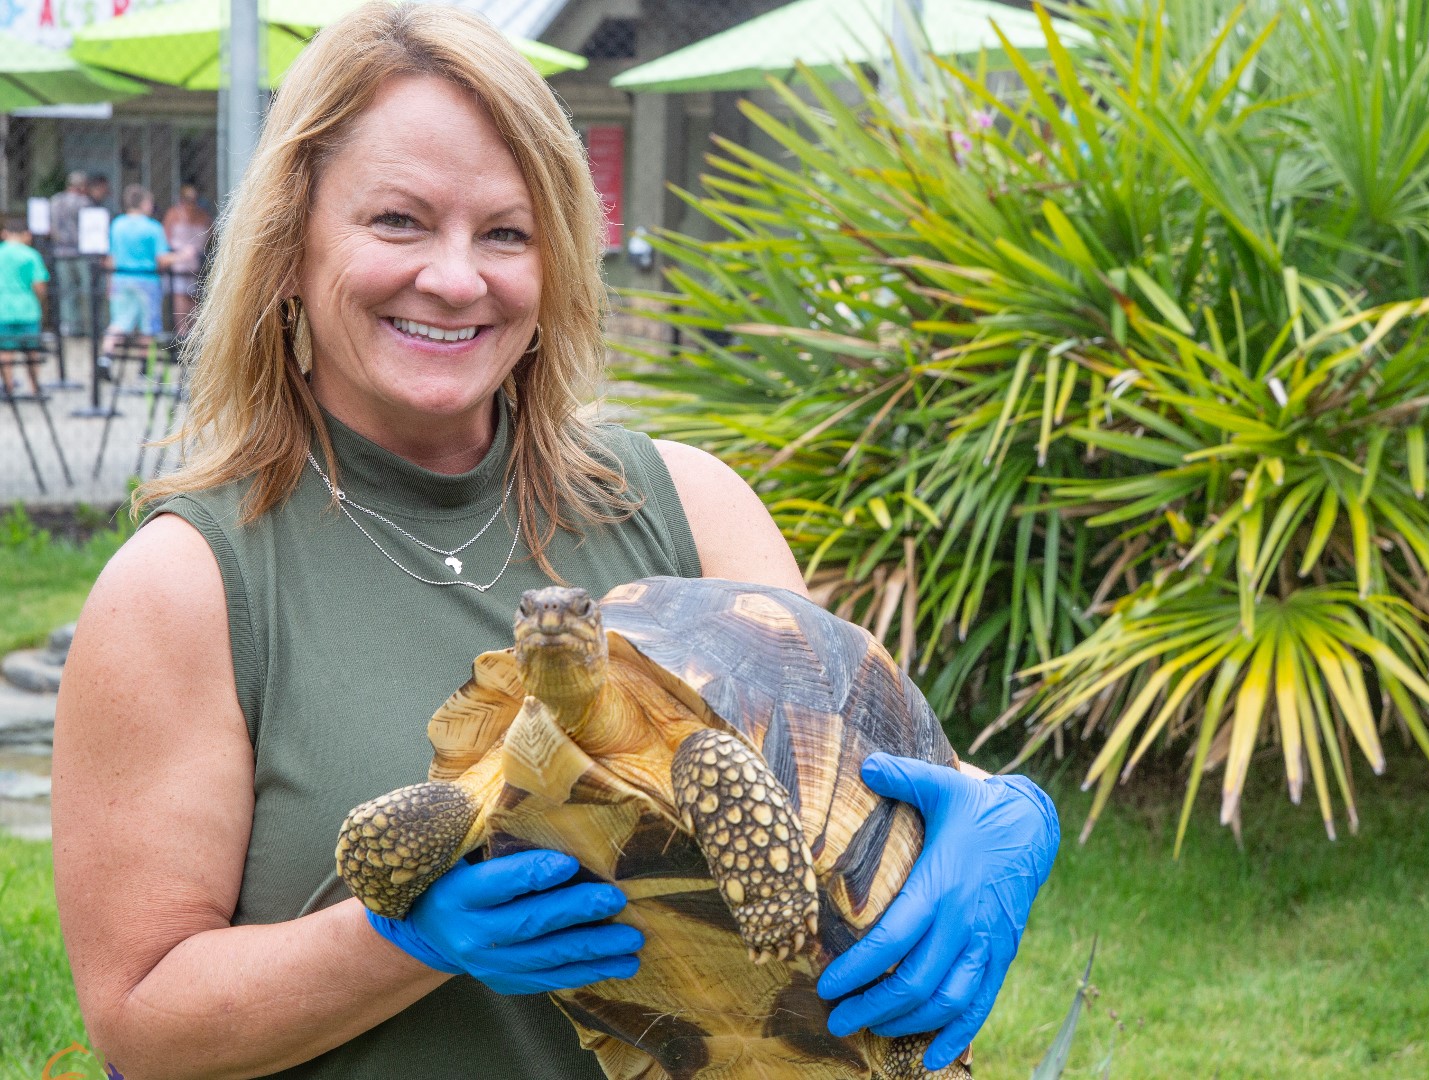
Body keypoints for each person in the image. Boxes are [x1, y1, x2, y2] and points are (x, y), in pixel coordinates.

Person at [51, 5, 1057, 1080]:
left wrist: (1008, 814)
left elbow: (862, 790)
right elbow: (142, 1023)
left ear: (556, 262)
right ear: (292, 244)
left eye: (505, 232)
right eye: (397, 220)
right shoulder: (190, 585)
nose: (454, 277)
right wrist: (397, 939)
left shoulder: (690, 510)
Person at [99, 184, 173, 361]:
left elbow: (111, 257)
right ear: (145, 203)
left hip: (121, 279)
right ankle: (144, 367)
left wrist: (110, 283)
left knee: (119, 322)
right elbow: (162, 258)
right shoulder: (153, 227)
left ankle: (106, 358)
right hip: (147, 280)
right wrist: (184, 256)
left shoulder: (117, 225)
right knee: (148, 326)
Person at [0, 216, 48, 395]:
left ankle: (8, 387)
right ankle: (35, 387)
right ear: (27, 235)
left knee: (5, 350)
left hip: (2, 309)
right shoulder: (31, 255)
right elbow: (39, 285)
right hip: (27, 309)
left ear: (4, 234)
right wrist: (40, 302)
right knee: (32, 351)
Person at [162, 182, 212, 333]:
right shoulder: (173, 214)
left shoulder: (203, 216)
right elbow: (166, 238)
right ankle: (181, 343)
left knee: (195, 312)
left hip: (196, 268)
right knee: (181, 313)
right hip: (179, 267)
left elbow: (210, 237)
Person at [48, 170, 89, 336]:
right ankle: (86, 327)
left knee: (66, 291)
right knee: (87, 290)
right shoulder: (84, 202)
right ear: (81, 186)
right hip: (80, 252)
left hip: (60, 251)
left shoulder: (55, 201)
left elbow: (50, 227)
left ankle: (68, 327)